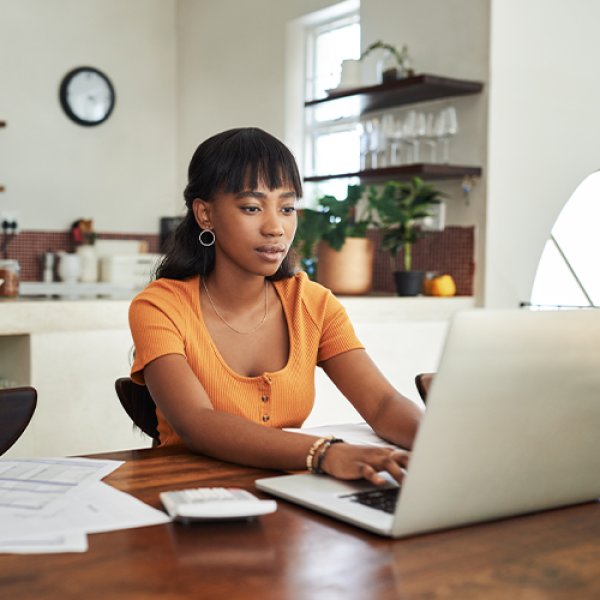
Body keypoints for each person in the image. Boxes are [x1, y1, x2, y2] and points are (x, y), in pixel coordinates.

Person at [129, 127, 424, 486]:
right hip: (188, 501)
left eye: (287, 208)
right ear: (205, 215)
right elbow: (196, 423)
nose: (276, 228)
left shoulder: (312, 304)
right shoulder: (160, 306)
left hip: (290, 498)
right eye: (252, 208)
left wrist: (440, 444)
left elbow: (382, 405)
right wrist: (324, 453)